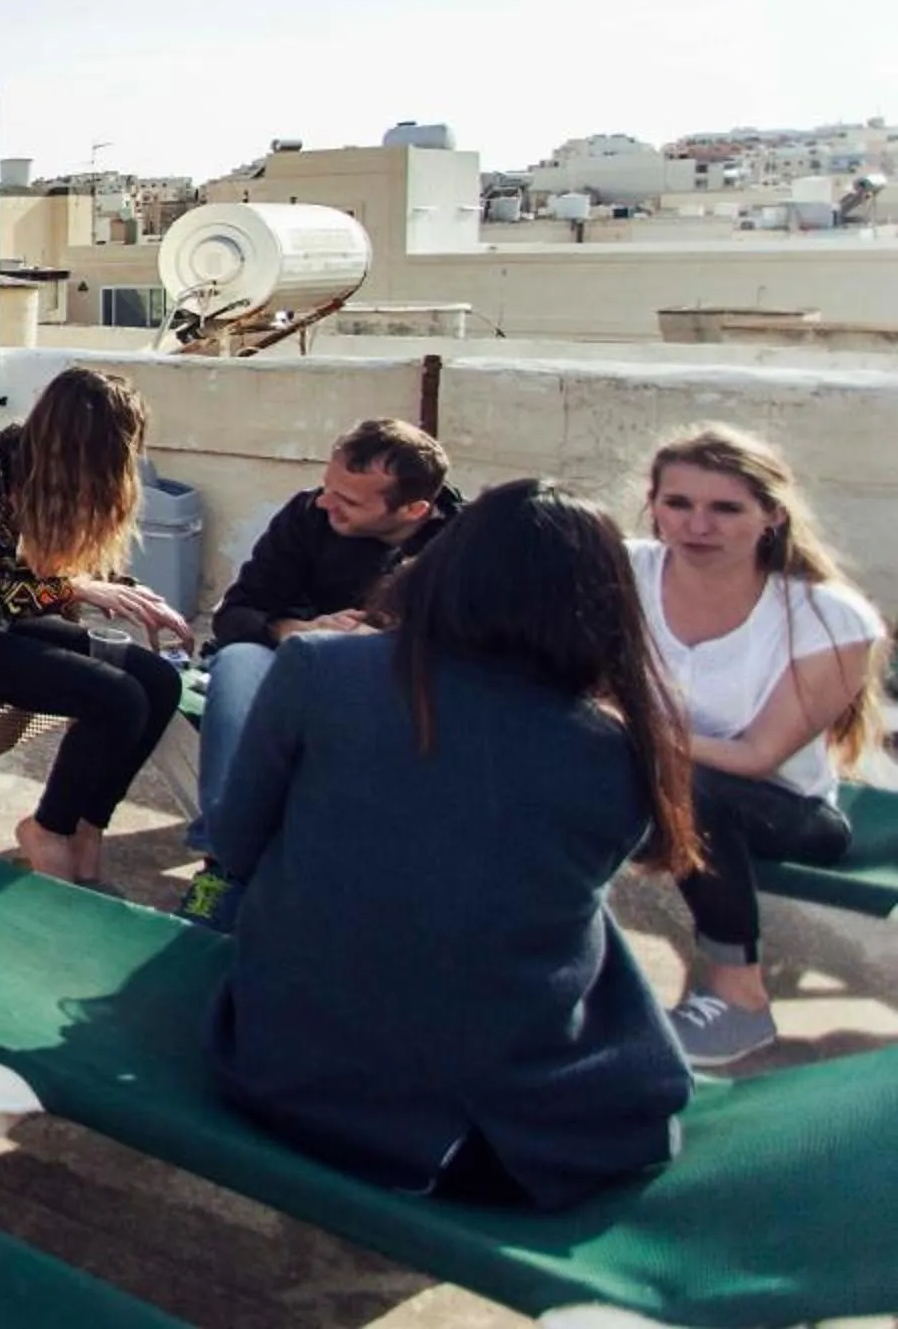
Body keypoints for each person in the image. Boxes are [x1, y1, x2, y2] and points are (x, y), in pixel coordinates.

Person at [208, 479, 701, 1210]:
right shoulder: (621, 750)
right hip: (510, 1138)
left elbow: (237, 843)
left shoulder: (320, 670)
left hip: (287, 1072)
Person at [631, 427, 887, 1067]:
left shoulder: (826, 615)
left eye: (726, 508)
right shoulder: (624, 571)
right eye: (678, 503)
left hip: (785, 809)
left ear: (772, 515)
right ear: (653, 504)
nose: (697, 525)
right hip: (636, 781)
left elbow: (756, 756)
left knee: (690, 789)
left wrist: (624, 727)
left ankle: (739, 994)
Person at [0, 366, 191, 884]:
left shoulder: (33, 472)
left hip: (1, 626)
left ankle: (86, 827)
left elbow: (26, 582)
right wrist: (79, 589)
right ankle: (48, 829)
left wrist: (126, 591)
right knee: (116, 698)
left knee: (159, 681)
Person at [178, 419, 459, 926]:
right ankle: (223, 861)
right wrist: (295, 630)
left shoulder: (459, 549)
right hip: (288, 665)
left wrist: (382, 642)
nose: (327, 503)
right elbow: (235, 614)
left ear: (414, 510)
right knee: (238, 661)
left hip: (392, 690)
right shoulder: (308, 516)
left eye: (348, 501)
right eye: (328, 488)